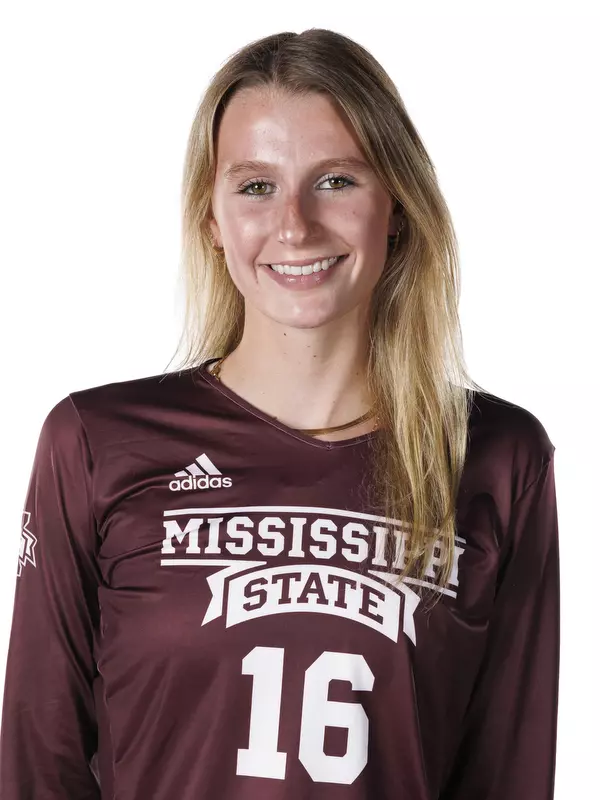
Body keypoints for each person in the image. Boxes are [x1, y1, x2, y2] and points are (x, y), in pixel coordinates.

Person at [0, 28, 559, 800]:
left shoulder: (494, 456)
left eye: (337, 180)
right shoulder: (95, 444)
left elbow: (508, 775)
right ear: (211, 220)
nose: (295, 225)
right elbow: (38, 769)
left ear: (397, 206)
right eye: (256, 187)